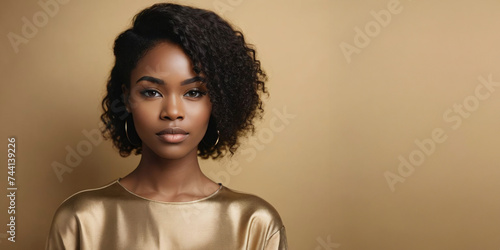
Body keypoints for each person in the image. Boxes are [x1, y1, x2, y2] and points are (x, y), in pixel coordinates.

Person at [45, 2, 287, 250]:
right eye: (151, 92)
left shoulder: (254, 223)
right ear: (127, 99)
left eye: (193, 92)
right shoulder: (81, 220)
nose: (172, 112)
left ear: (218, 103)